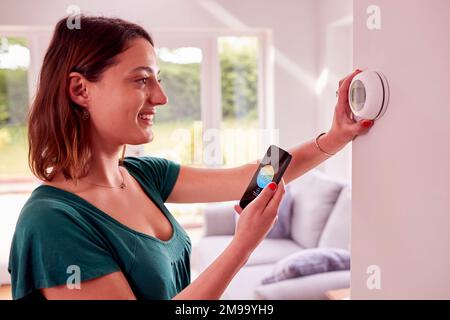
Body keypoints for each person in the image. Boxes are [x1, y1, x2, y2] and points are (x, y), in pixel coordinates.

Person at [8, 15, 374, 300]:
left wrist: (335, 137)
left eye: (158, 79)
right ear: (79, 90)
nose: (161, 97)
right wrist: (243, 245)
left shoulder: (143, 174)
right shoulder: (53, 222)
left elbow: (252, 176)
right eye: (141, 80)